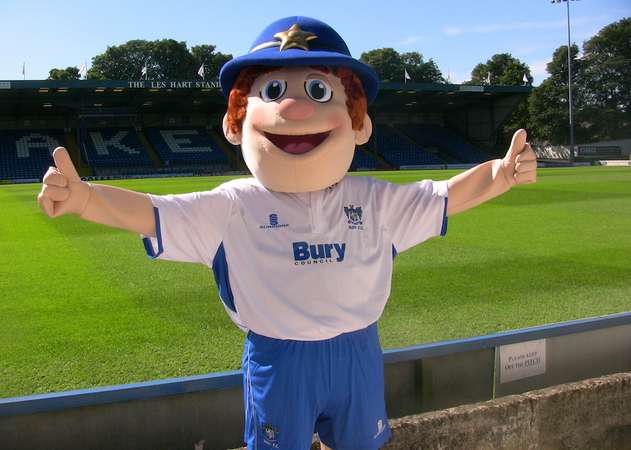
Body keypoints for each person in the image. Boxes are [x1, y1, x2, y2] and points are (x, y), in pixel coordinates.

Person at [38, 16, 537, 450]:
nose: (296, 107)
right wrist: (85, 199)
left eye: (318, 91)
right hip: (279, 359)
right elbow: (152, 213)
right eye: (274, 91)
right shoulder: (232, 206)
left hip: (358, 353)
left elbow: (447, 196)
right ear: (236, 123)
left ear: (358, 122)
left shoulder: (375, 199)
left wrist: (501, 174)